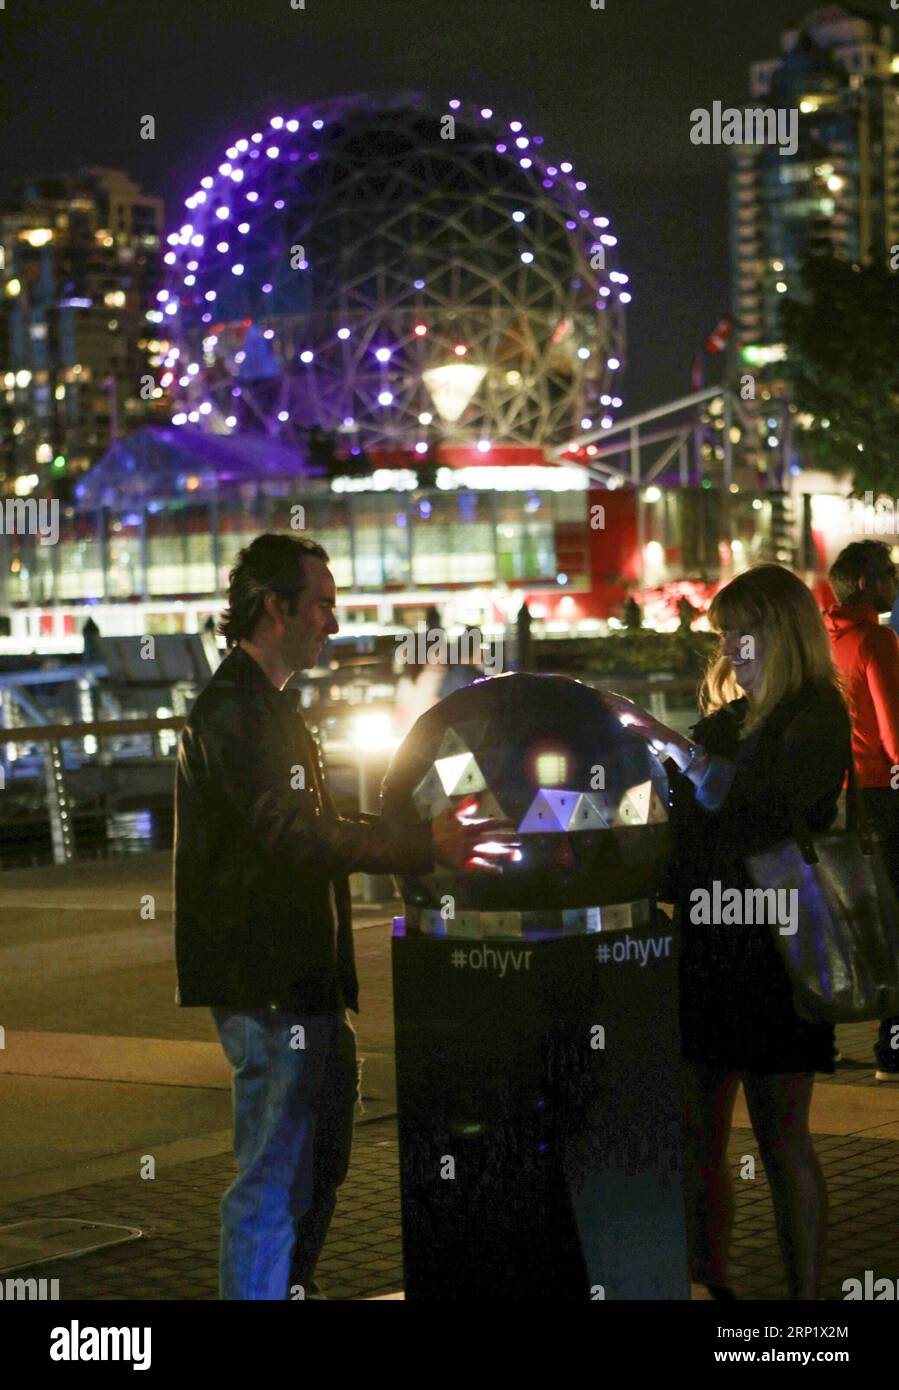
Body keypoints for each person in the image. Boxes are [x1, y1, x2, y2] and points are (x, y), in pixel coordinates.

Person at [173, 533, 501, 1300]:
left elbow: (302, 818)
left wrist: (399, 831)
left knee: (314, 1160)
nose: (334, 618)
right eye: (320, 602)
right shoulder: (237, 712)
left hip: (300, 974)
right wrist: (420, 843)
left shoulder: (266, 707)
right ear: (273, 607)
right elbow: (293, 832)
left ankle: (290, 1287)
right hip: (269, 976)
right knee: (273, 1172)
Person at [604, 563, 851, 1301]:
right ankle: (708, 1285)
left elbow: (766, 812)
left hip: (779, 946)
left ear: (782, 633)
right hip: (710, 948)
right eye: (724, 636)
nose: (732, 650)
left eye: (743, 634)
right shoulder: (725, 721)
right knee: (697, 1139)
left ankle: (803, 1307)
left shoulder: (814, 715)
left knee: (782, 1140)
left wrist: (670, 746)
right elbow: (681, 825)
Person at [824, 540, 899, 1082]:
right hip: (881, 793)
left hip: (834, 795)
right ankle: (892, 1048)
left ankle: (818, 1043)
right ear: (869, 585)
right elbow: (896, 735)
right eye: (890, 574)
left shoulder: (821, 643)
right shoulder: (877, 638)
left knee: (840, 916)